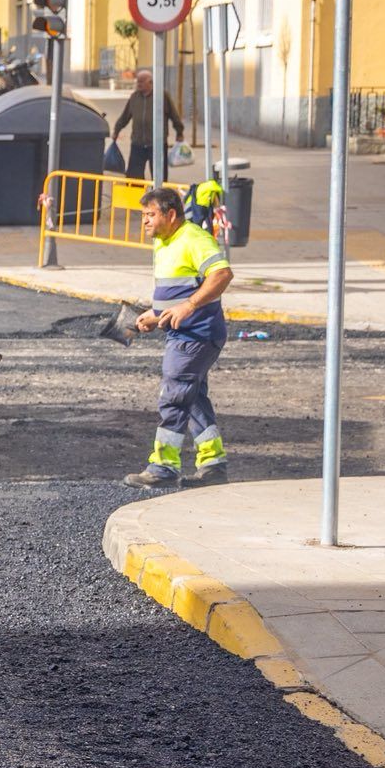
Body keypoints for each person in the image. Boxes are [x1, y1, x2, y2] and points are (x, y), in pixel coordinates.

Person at [126, 188, 233, 490]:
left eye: (150, 215)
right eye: (143, 215)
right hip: (186, 333)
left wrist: (189, 306)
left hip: (195, 335)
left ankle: (164, 466)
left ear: (170, 214)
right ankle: (213, 466)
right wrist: (154, 314)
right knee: (193, 397)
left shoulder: (193, 238)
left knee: (173, 394)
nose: (144, 222)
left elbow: (222, 274)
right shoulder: (164, 243)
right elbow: (177, 291)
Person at [110, 71, 185, 181]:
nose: (138, 84)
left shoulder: (162, 96)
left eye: (141, 81)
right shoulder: (134, 97)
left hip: (157, 144)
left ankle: (158, 196)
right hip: (137, 143)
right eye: (137, 81)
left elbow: (174, 115)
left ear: (150, 82)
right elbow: (125, 116)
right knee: (133, 177)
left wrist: (179, 132)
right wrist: (116, 130)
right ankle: (136, 196)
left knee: (159, 177)